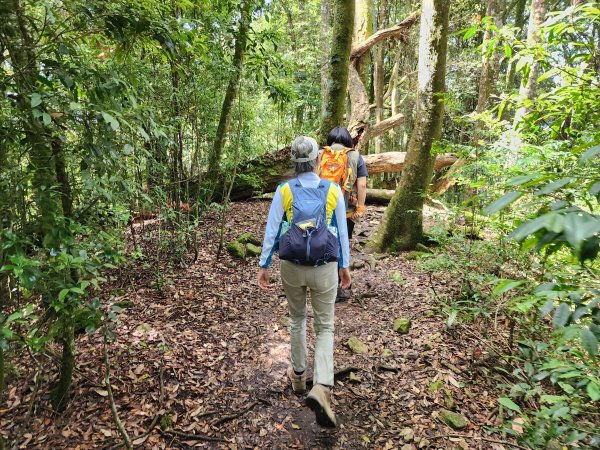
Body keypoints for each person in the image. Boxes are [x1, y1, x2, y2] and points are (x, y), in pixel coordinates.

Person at [257, 136, 351, 428]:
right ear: (316, 161)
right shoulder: (332, 188)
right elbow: (342, 232)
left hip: (292, 266)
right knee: (324, 326)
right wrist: (345, 266)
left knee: (297, 319)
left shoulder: (284, 189)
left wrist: (264, 264)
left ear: (294, 163)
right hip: (325, 266)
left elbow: (273, 229)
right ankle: (322, 385)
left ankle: (298, 376)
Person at [322, 126, 368, 301]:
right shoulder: (355, 156)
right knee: (341, 245)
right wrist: (360, 207)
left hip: (321, 211)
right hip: (345, 212)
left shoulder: (321, 154)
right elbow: (361, 184)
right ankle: (338, 288)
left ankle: (320, 284)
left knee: (322, 244)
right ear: (349, 141)